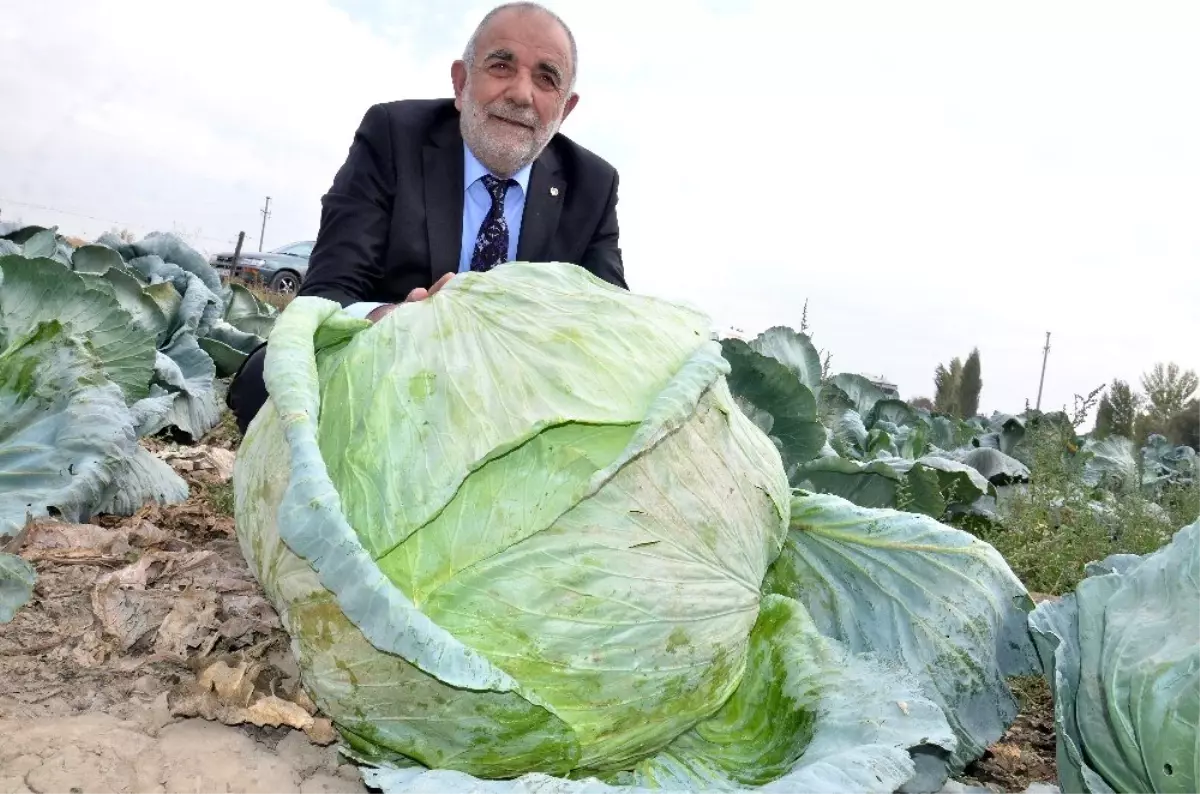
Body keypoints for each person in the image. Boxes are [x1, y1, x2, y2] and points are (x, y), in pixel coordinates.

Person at [226, 1, 627, 434]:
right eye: (500, 66)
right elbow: (330, 290)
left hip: (518, 399)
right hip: (391, 368)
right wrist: (394, 320)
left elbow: (611, 324)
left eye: (546, 79)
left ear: (564, 109)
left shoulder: (592, 185)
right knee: (265, 383)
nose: (521, 93)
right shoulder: (392, 136)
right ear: (461, 82)